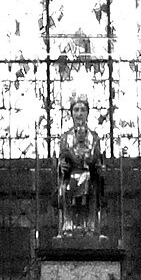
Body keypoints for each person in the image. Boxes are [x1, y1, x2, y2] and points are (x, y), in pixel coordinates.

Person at [55, 96, 107, 235]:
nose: (79, 114)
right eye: (76, 110)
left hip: (89, 174)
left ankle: (90, 226)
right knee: (66, 188)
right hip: (70, 176)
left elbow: (97, 159)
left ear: (87, 113)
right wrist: (62, 167)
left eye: (83, 110)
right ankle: (68, 225)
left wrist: (99, 168)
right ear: (71, 113)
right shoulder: (65, 138)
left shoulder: (94, 137)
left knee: (92, 187)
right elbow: (61, 160)